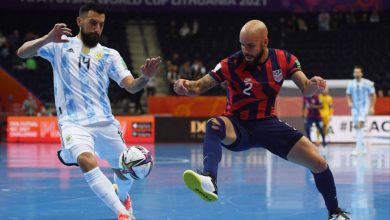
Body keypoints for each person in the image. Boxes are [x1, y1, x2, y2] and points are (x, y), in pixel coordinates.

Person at [174, 20, 351, 220]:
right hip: (237, 124)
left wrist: (314, 84)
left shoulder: (285, 59)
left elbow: (306, 88)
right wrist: (184, 85)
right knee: (214, 125)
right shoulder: (231, 63)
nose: (245, 50)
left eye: (250, 45)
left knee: (319, 163)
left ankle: (335, 213)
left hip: (268, 125)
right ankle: (209, 180)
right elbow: (198, 86)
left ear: (265, 42)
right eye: (242, 44)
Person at [16, 2, 161, 220]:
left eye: (101, 25)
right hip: (73, 123)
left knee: (123, 170)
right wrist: (47, 38)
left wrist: (146, 78)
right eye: (93, 23)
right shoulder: (59, 44)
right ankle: (123, 214)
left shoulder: (110, 54)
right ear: (79, 21)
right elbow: (22, 53)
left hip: (105, 122)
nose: (97, 29)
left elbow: (131, 85)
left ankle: (122, 196)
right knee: (85, 159)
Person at [346, 66, 376, 156]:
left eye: (358, 72)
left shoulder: (367, 83)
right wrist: (349, 102)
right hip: (355, 109)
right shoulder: (351, 84)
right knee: (358, 128)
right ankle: (363, 148)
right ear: (353, 73)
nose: (357, 74)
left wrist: (371, 107)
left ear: (361, 73)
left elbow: (373, 95)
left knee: (359, 126)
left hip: (364, 108)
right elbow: (348, 94)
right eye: (355, 72)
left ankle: (357, 149)